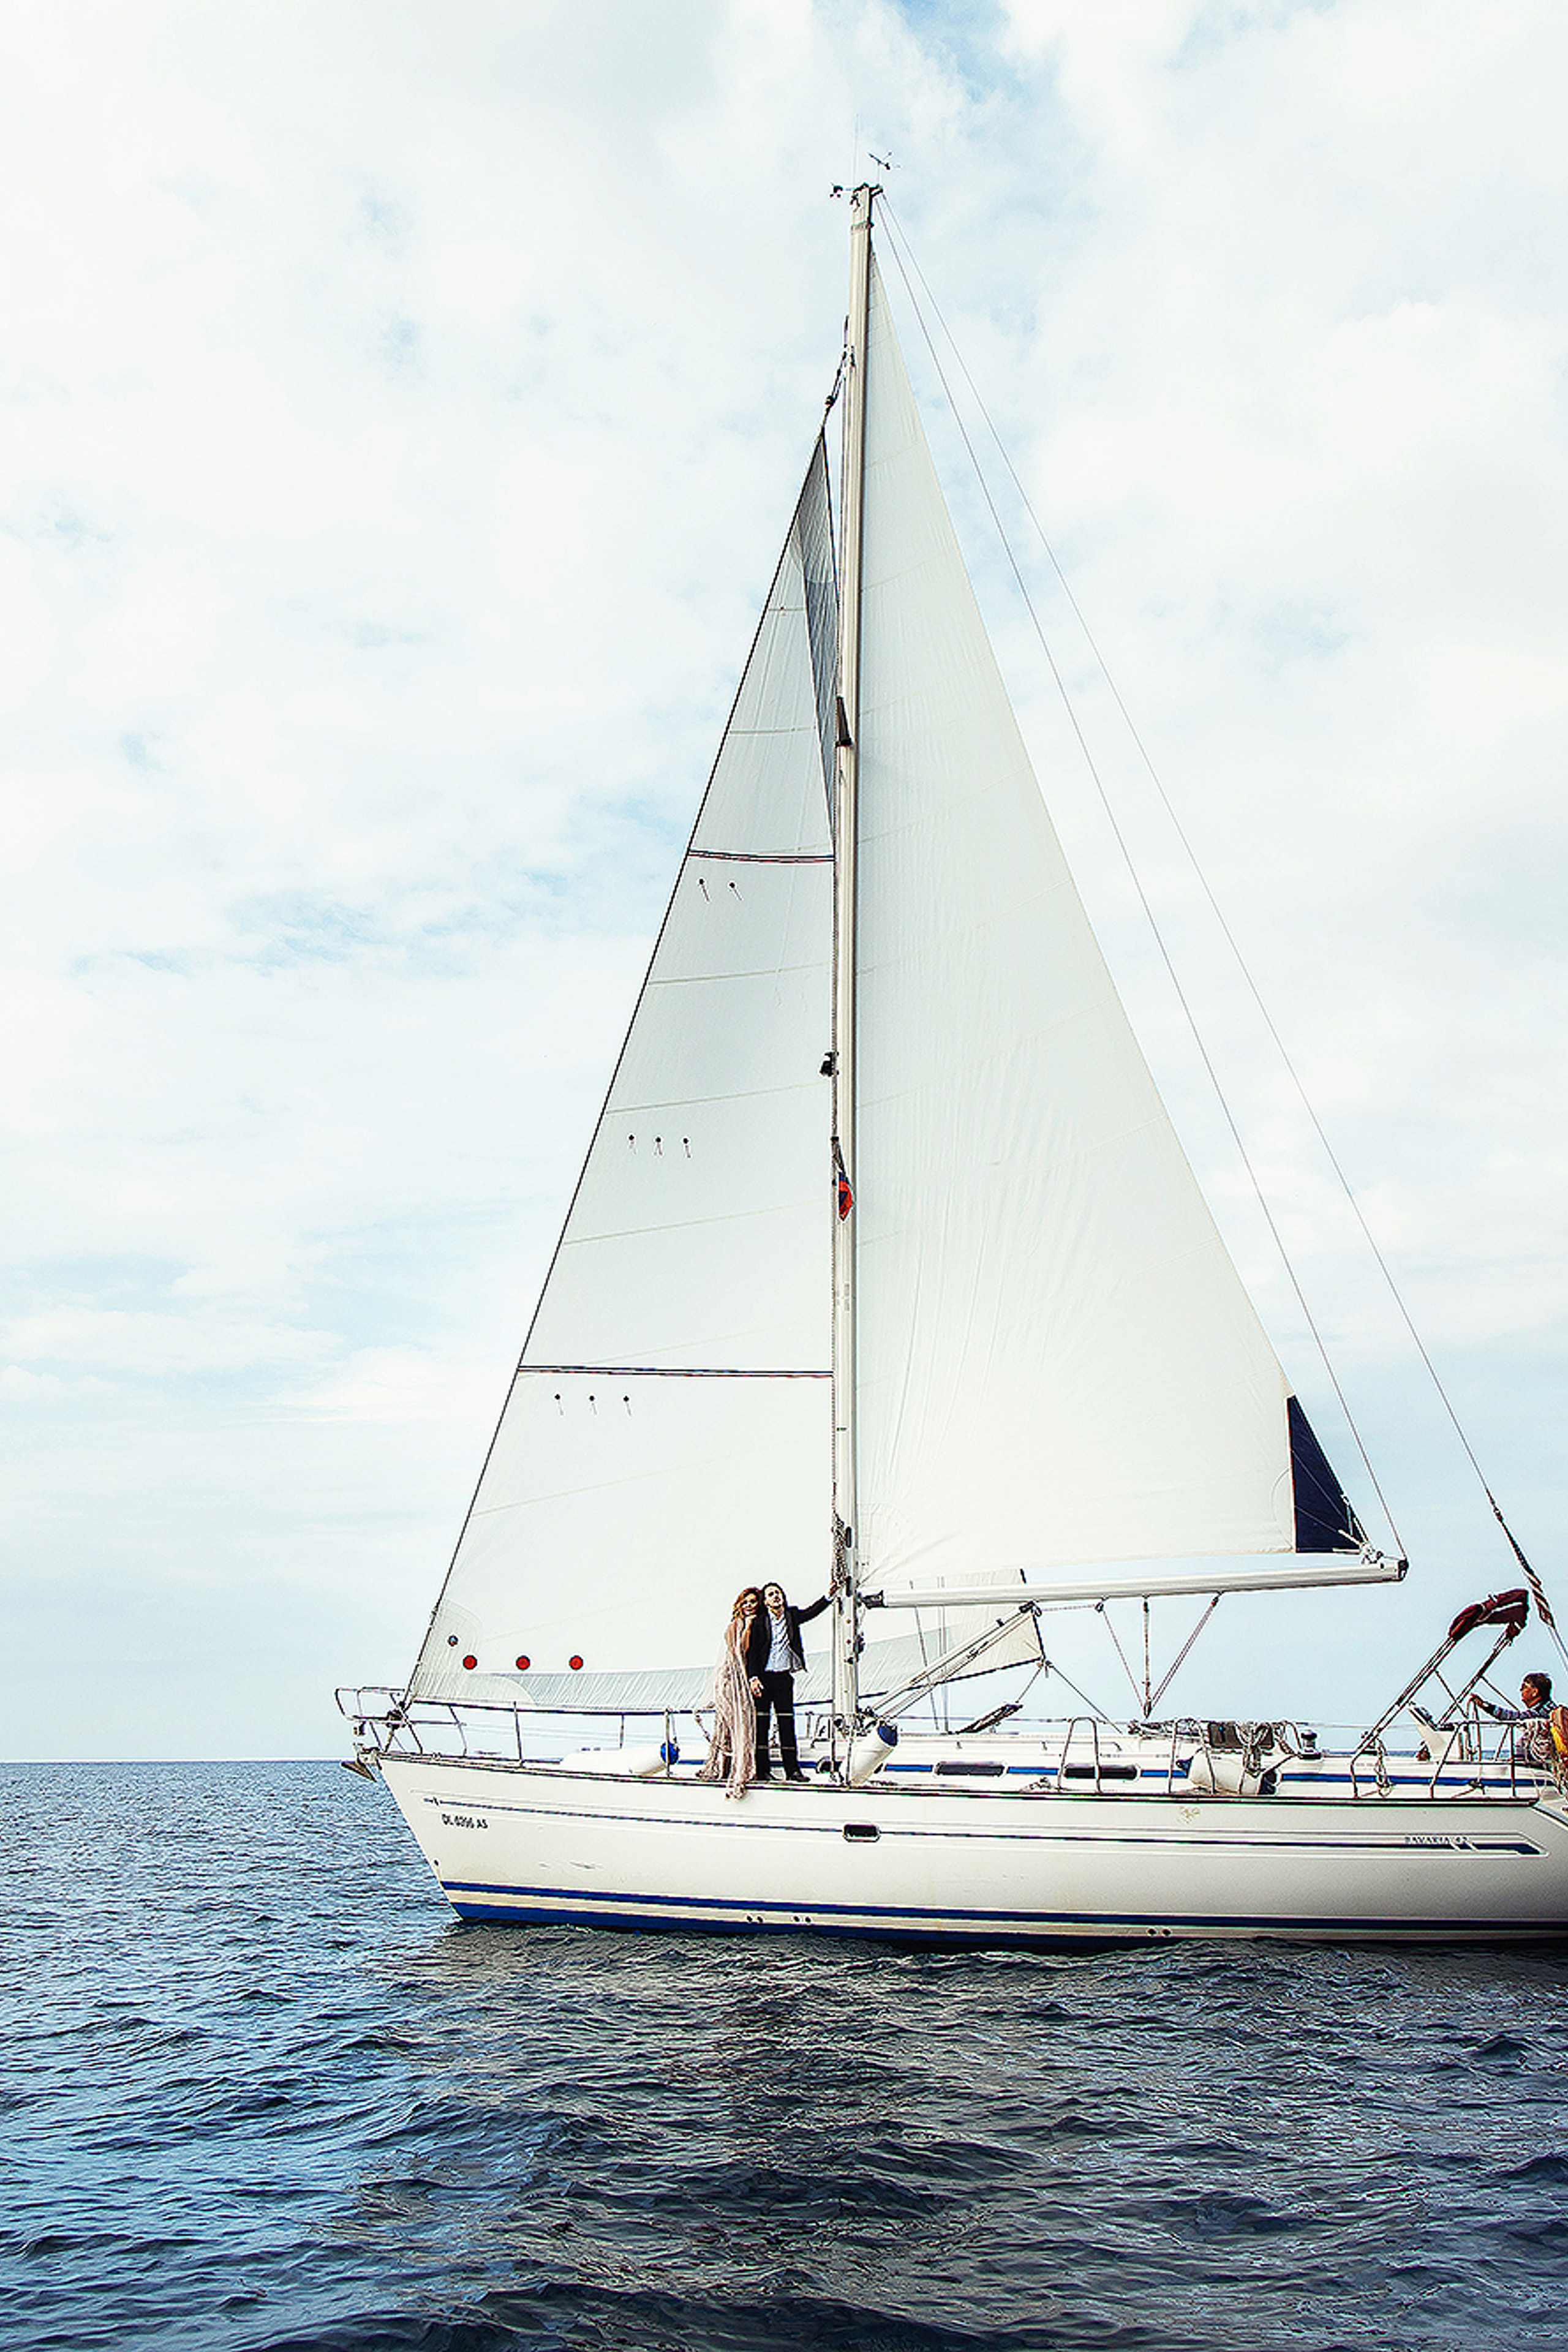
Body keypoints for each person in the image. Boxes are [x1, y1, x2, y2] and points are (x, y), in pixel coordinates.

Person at [745, 1580, 829, 1782]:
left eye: (778, 1593)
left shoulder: (791, 1616)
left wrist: (829, 1595)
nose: (776, 1596)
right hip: (764, 1679)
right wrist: (753, 1678)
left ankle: (793, 1770)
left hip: (783, 1678)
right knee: (762, 1725)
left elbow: (811, 1612)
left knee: (787, 1724)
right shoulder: (759, 1622)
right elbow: (753, 1653)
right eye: (771, 1594)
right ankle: (762, 1770)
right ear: (765, 1601)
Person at [698, 1589, 761, 1798]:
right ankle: (736, 1773)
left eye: (753, 1602)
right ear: (740, 1605)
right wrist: (750, 1625)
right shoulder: (735, 1626)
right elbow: (739, 1650)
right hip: (729, 1681)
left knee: (733, 1726)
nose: (750, 1605)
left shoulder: (754, 1623)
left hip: (739, 1682)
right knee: (737, 1725)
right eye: (746, 1602)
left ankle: (729, 1768)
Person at [1477, 1670, 1553, 1766]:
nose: (1520, 1691)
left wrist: (1486, 1706)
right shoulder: (1547, 1707)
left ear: (1535, 1692)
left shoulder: (1544, 1711)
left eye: (1524, 1688)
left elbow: (1516, 1718)